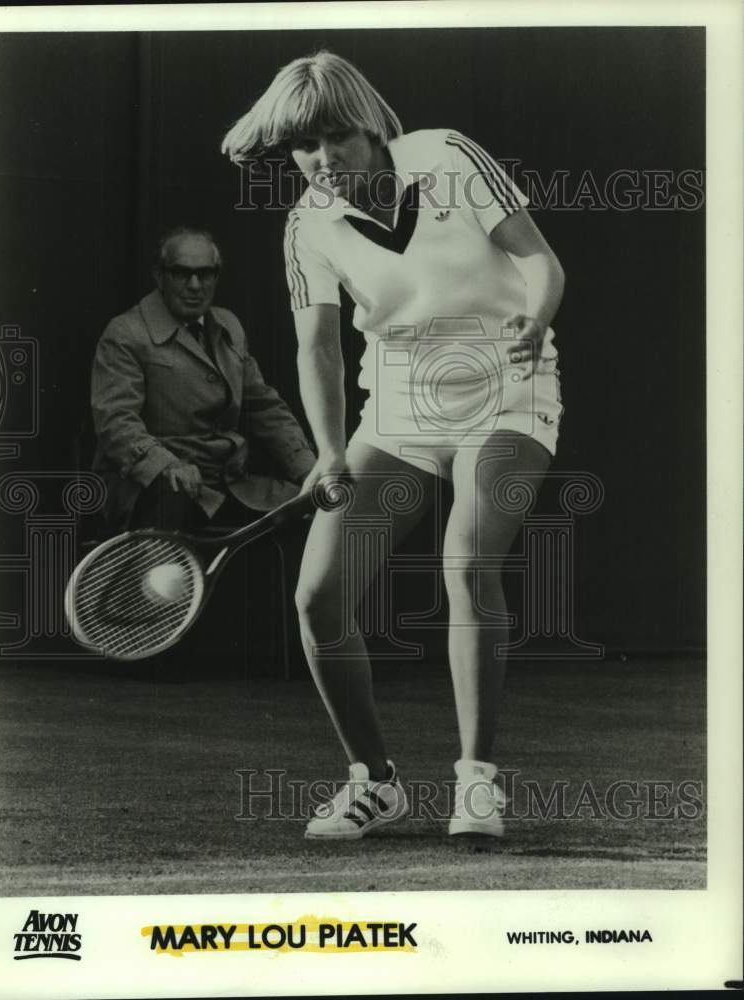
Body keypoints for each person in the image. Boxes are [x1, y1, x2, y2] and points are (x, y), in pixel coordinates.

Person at [222, 52, 565, 840]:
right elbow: (318, 350)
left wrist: (535, 318)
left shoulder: (445, 154)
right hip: (400, 411)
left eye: (336, 137)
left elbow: (539, 259)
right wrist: (330, 449)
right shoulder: (307, 225)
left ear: (372, 125)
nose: (323, 160)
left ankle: (476, 784)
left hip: (507, 386)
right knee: (318, 596)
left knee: (469, 561)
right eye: (304, 148)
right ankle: (373, 782)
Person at [91, 227, 316, 535]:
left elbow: (264, 407)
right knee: (171, 514)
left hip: (228, 484)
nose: (195, 285)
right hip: (152, 487)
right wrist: (167, 466)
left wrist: (309, 468)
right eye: (181, 274)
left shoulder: (228, 326)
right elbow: (116, 422)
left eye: (205, 274)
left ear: (216, 276)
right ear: (159, 276)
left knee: (315, 509)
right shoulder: (125, 333)